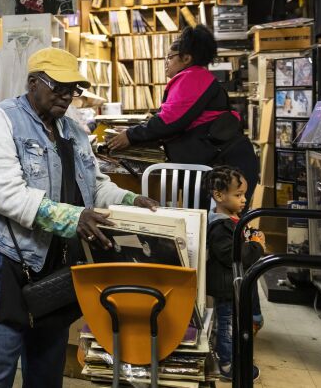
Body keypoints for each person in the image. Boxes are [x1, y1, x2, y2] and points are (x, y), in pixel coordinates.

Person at [0, 47, 159, 388]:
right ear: (33, 83)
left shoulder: (72, 131)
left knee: (47, 365)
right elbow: (2, 191)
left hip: (48, 260)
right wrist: (74, 218)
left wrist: (131, 199)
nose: (66, 95)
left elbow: (93, 185)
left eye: (72, 88)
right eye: (57, 86)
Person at [107, 25, 259, 201]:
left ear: (186, 58)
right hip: (222, 164)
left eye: (169, 57)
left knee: (218, 224)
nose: (166, 62)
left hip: (226, 167)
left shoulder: (192, 78)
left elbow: (169, 121)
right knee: (210, 222)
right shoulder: (196, 77)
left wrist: (131, 135)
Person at [205, 166, 264, 382]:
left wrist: (250, 236)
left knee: (230, 325)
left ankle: (229, 358)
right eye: (238, 195)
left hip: (233, 285)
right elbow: (234, 256)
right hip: (226, 286)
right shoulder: (219, 226)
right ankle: (227, 365)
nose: (244, 200)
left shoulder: (231, 219)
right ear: (219, 196)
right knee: (227, 327)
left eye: (244, 194)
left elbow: (240, 237)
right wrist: (256, 246)